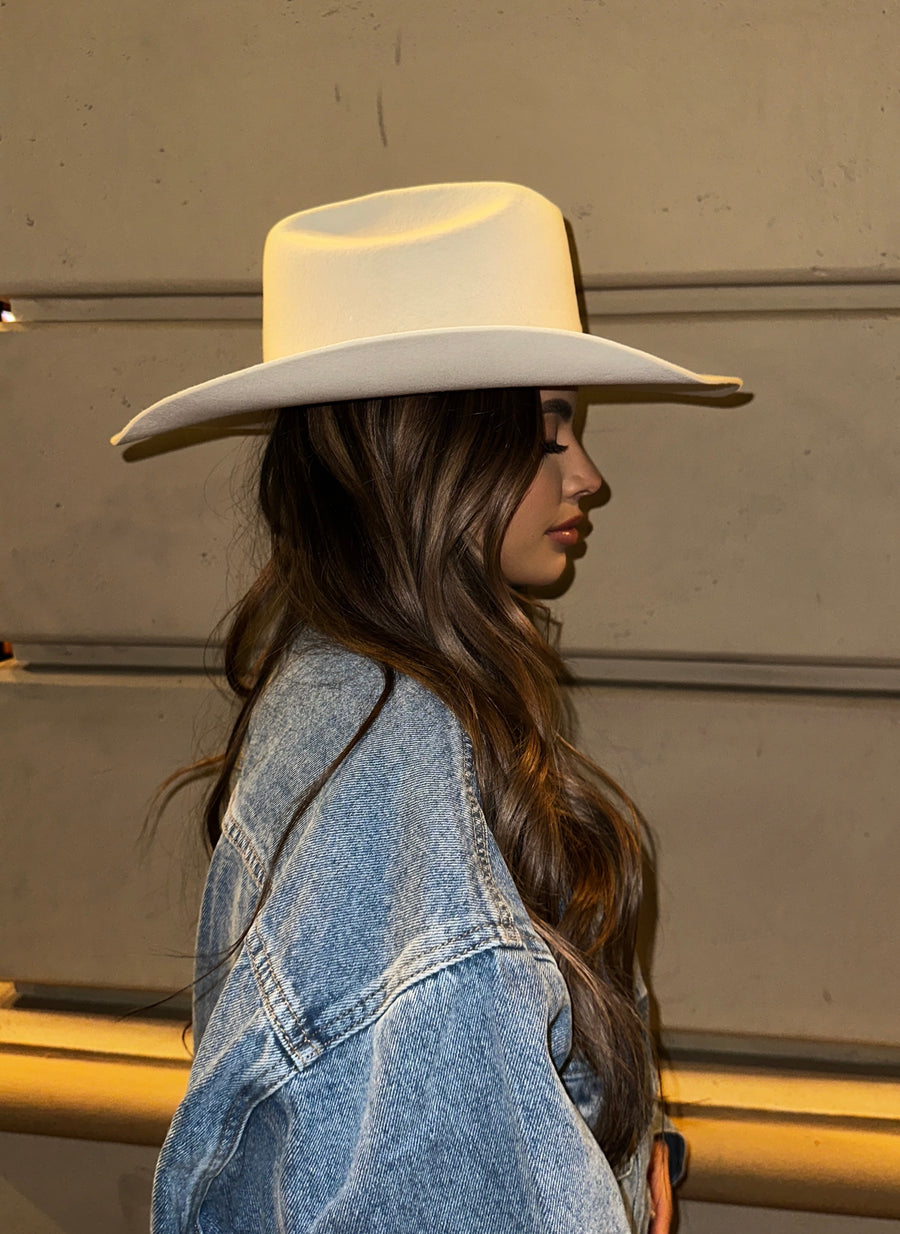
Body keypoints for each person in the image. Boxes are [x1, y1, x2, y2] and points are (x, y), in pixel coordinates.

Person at [113, 182, 740, 1233]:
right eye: (548, 432)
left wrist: (619, 1155)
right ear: (431, 446)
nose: (588, 476)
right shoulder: (398, 766)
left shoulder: (344, 690)